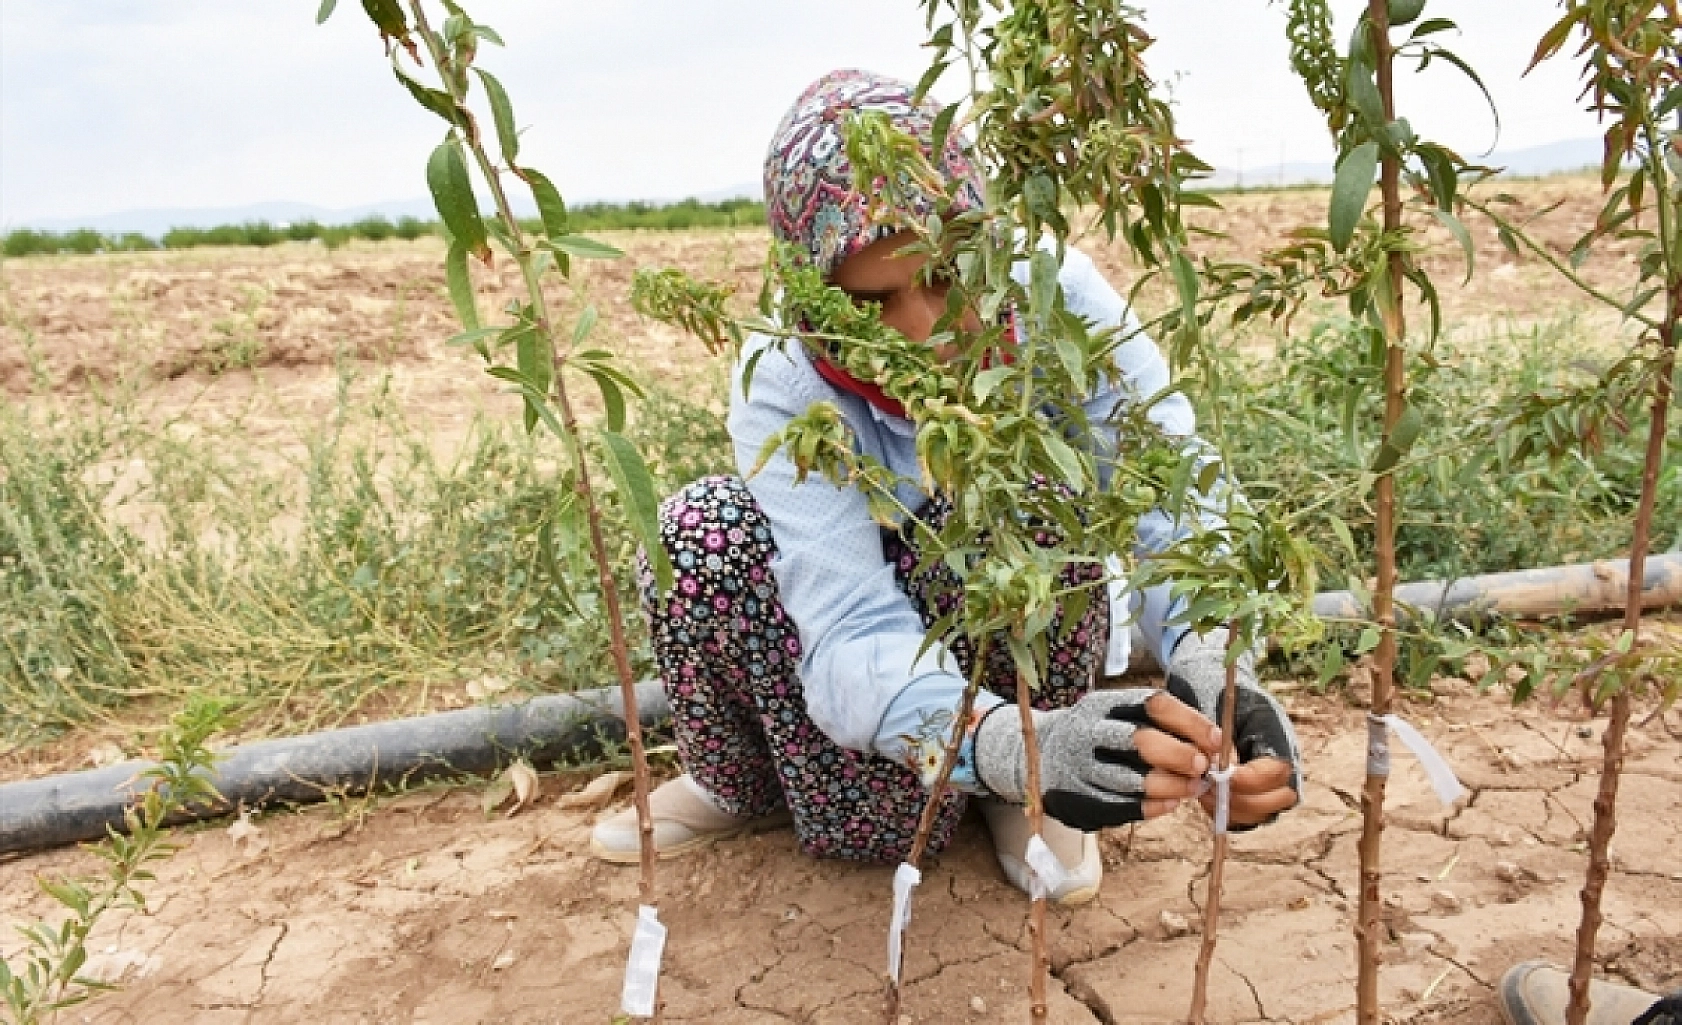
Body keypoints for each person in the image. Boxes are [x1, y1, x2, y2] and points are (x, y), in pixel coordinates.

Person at [590, 69, 1301, 904]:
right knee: (698, 531)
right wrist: (1001, 741)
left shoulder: (1053, 296)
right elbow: (850, 620)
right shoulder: (783, 375)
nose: (923, 333)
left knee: (1029, 477)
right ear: (816, 292)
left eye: (943, 275)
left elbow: (1173, 494)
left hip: (1014, 628)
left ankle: (1033, 786)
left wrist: (1218, 672)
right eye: (874, 301)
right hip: (877, 662)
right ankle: (744, 784)